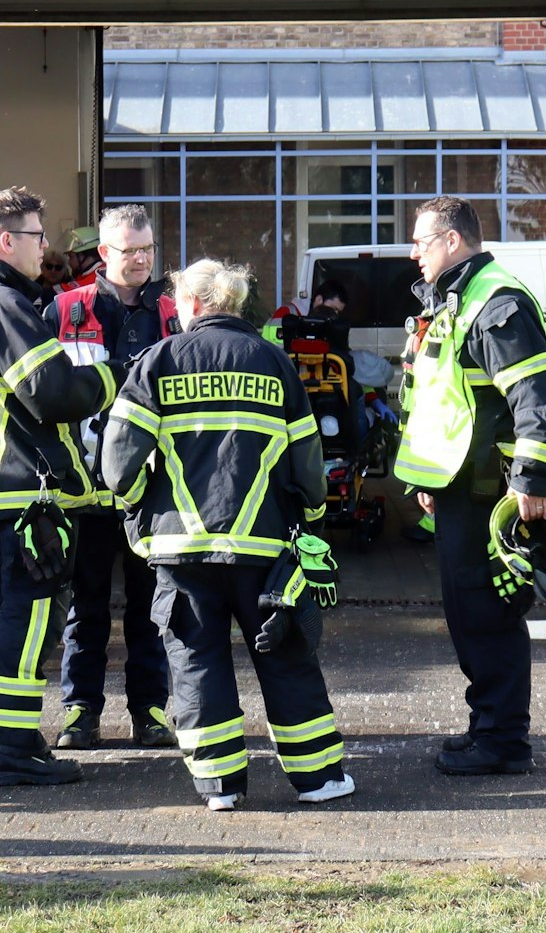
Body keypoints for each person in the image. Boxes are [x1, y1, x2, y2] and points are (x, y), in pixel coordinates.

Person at [101, 258, 353, 811]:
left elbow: (117, 464)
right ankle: (320, 781)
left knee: (195, 660)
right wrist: (309, 523)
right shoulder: (275, 363)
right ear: (236, 304)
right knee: (285, 655)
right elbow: (309, 466)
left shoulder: (157, 362)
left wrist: (138, 508)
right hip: (263, 547)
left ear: (189, 305)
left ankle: (220, 787)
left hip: (180, 547)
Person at [0, 187, 117, 786]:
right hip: (27, 491)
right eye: (39, 236)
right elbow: (54, 393)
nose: (47, 247)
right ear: (7, 240)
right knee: (28, 622)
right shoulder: (3, 304)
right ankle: (12, 751)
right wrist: (106, 375)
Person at [392, 196, 546, 777]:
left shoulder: (496, 302)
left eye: (421, 241)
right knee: (469, 613)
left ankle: (503, 742)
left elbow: (539, 399)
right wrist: (428, 476)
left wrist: (532, 481)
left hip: (490, 494)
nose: (413, 251)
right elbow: (442, 399)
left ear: (452, 240)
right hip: (456, 488)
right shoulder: (455, 300)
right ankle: (487, 728)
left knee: (490, 614)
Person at [45, 204, 176, 751]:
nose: (141, 259)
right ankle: (81, 711)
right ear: (104, 253)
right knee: (86, 606)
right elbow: (41, 393)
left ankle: (150, 710)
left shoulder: (173, 313)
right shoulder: (65, 309)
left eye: (147, 249)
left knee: (153, 605)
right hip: (86, 490)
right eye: (129, 250)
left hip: (153, 486)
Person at [52, 225, 102, 294]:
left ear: (83, 256)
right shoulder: (98, 272)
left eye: (71, 256)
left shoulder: (97, 278)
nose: (69, 262)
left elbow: (62, 293)